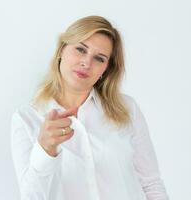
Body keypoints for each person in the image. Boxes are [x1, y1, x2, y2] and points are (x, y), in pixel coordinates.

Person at [10, 15, 169, 200]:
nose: (86, 63)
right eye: (80, 49)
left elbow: (151, 184)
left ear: (106, 70)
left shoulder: (127, 109)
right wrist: (45, 150)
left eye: (99, 58)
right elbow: (31, 196)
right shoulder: (27, 118)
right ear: (61, 50)